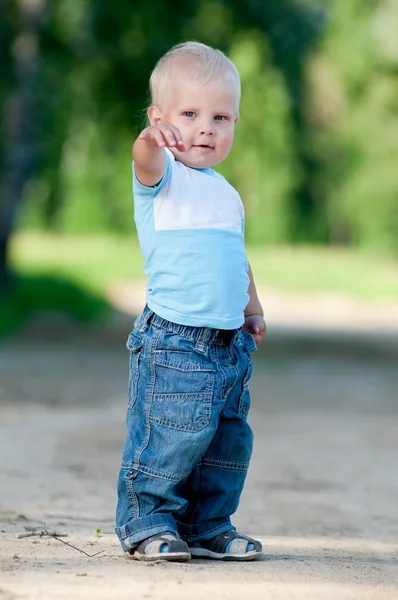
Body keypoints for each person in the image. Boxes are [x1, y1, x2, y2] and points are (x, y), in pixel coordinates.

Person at [115, 41, 266, 562]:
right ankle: (147, 520)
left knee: (225, 446)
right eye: (190, 114)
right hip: (175, 340)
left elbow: (236, 258)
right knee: (170, 437)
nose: (206, 127)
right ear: (160, 119)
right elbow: (144, 158)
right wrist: (149, 141)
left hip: (229, 345)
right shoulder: (162, 177)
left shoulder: (226, 192)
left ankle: (208, 525)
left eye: (220, 117)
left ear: (235, 123)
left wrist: (252, 308)